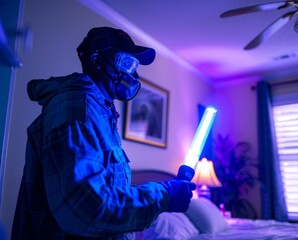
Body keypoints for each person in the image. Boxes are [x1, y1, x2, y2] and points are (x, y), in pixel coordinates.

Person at [11, 26, 196, 240]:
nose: (134, 74)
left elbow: (107, 190)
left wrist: (164, 192)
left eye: (135, 66)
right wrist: (163, 194)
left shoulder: (101, 114)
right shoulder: (76, 109)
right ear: (98, 60)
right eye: (127, 63)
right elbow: (83, 207)